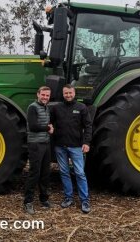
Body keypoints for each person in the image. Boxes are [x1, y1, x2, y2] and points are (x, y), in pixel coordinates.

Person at [51, 84, 93, 213]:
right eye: (66, 93)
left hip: (76, 147)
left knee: (80, 173)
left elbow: (88, 126)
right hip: (60, 146)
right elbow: (50, 123)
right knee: (64, 172)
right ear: (63, 94)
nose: (68, 95)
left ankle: (85, 200)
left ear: (74, 93)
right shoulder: (57, 108)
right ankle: (68, 197)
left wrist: (86, 142)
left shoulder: (81, 107)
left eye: (70, 93)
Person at [23, 86, 54, 215]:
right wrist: (48, 128)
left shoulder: (46, 107)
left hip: (46, 144)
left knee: (45, 173)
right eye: (43, 95)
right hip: (35, 144)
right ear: (38, 94)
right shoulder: (32, 107)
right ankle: (28, 202)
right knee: (34, 173)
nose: (45, 97)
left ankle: (43, 199)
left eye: (47, 95)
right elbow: (33, 126)